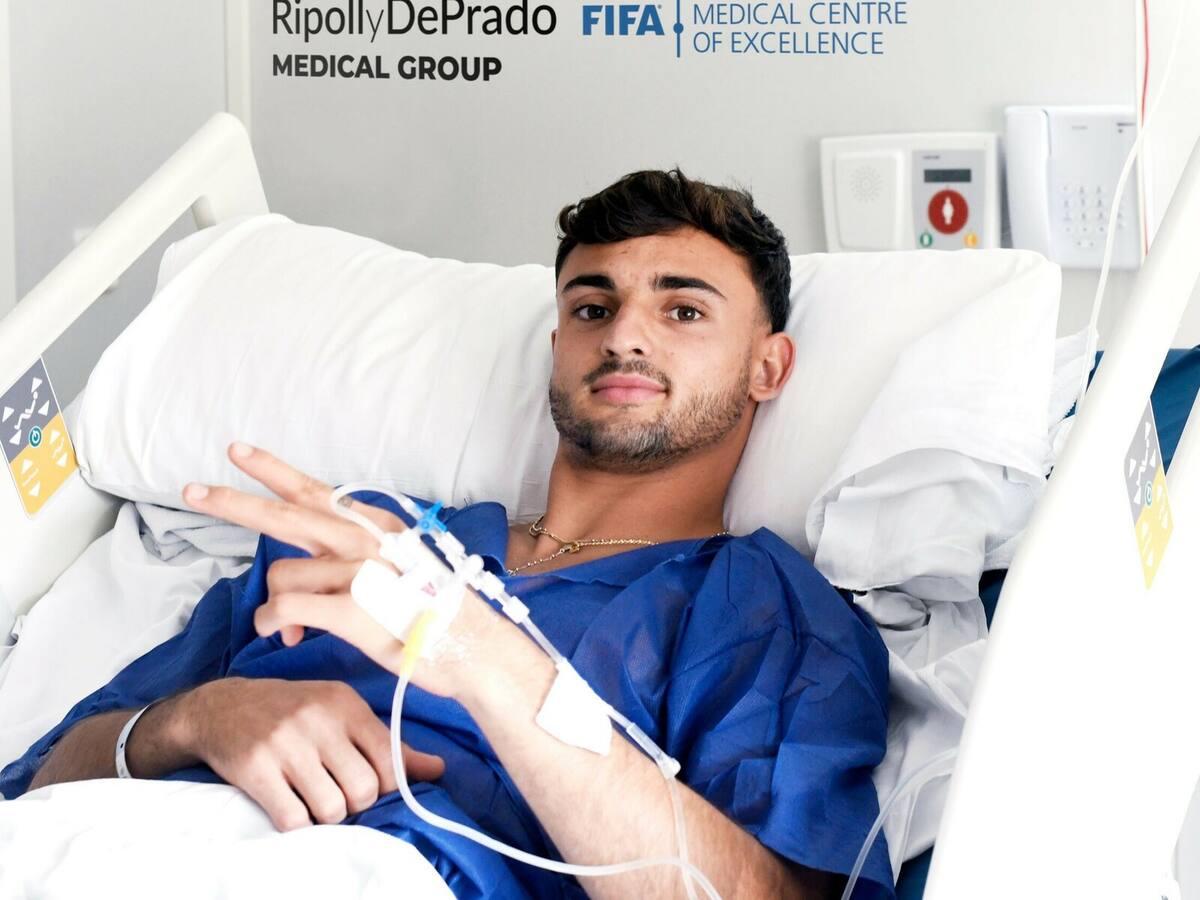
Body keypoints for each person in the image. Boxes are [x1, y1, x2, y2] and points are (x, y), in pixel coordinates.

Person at [0, 169, 894, 899]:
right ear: (556, 346)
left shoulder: (761, 608)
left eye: (683, 311)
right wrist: (199, 718)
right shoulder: (360, 531)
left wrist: (472, 648)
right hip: (102, 845)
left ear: (768, 366)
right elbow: (43, 775)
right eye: (592, 308)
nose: (624, 335)